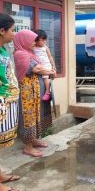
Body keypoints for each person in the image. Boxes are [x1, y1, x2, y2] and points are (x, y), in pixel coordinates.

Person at [13, 29, 55, 158]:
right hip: (26, 92)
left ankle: (34, 140)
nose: (34, 43)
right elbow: (36, 68)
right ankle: (28, 147)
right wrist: (50, 71)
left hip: (34, 89)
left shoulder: (30, 52)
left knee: (36, 114)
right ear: (24, 41)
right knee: (28, 117)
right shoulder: (20, 54)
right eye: (31, 40)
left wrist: (47, 70)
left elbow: (41, 66)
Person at [0, 13, 20, 191]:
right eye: (12, 30)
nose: (14, 34)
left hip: (6, 103)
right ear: (1, 31)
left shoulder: (3, 50)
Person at [33, 30, 56, 101]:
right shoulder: (33, 47)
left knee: (46, 77)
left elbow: (50, 57)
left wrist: (53, 66)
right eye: (42, 40)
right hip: (39, 66)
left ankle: (47, 92)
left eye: (45, 40)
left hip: (46, 65)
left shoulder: (45, 47)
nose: (44, 41)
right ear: (36, 40)